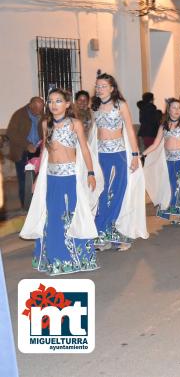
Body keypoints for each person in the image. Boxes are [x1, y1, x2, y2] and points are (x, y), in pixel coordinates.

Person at [21, 88, 100, 275]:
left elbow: (85, 149)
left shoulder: (75, 124)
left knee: (70, 215)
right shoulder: (46, 123)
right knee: (52, 217)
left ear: (67, 104)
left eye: (58, 101)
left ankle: (74, 258)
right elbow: (45, 153)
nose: (53, 104)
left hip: (70, 177)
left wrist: (90, 173)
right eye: (50, 101)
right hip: (51, 178)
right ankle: (55, 259)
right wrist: (39, 177)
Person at [89, 73, 148, 251]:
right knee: (101, 193)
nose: (99, 89)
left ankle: (114, 234)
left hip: (118, 155)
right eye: (97, 86)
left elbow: (129, 129)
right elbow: (94, 133)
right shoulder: (96, 106)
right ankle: (102, 234)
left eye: (103, 86)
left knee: (116, 194)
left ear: (112, 88)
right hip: (100, 155)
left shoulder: (120, 105)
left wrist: (135, 154)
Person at [142, 98, 180, 225]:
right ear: (169, 110)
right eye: (174, 108)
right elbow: (156, 144)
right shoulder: (164, 126)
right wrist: (141, 154)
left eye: (179, 108)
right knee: (174, 187)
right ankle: (178, 213)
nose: (177, 110)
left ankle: (179, 216)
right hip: (169, 162)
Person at [6, 97, 44, 208]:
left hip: (37, 150)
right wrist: (27, 145)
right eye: (37, 108)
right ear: (30, 105)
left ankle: (37, 204)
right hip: (22, 151)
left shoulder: (42, 115)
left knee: (38, 178)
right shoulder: (18, 115)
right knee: (24, 179)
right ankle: (26, 205)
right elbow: (11, 133)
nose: (39, 111)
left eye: (41, 108)